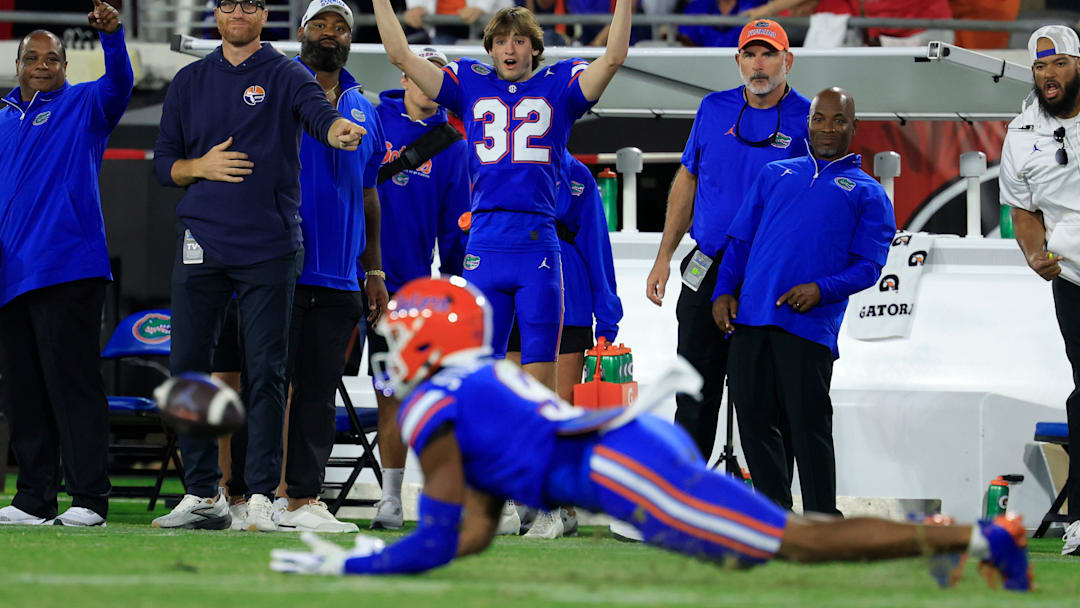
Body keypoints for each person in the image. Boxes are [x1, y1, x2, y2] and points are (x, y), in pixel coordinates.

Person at [268, 276, 1033, 595]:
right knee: (771, 543)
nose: (393, 349)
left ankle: (971, 539)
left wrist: (360, 565)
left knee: (797, 541)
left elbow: (439, 538)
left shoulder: (439, 401)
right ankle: (954, 540)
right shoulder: (474, 383)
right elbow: (471, 531)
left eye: (402, 334)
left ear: (430, 340)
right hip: (625, 454)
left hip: (625, 470)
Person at [150, 0, 366, 532]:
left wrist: (337, 128)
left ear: (263, 13)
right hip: (200, 238)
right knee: (188, 369)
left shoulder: (287, 73)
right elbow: (162, 164)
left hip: (270, 244)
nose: (238, 13)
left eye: (248, 4)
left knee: (268, 373)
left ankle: (262, 496)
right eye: (229, 5)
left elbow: (319, 113)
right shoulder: (189, 80)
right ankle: (204, 494)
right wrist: (197, 167)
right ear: (218, 14)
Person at [371, 1, 631, 395]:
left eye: (520, 40)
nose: (511, 49)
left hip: (536, 245)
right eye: (502, 40)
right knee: (483, 386)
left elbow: (613, 58)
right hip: (485, 244)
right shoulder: (469, 82)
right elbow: (399, 55)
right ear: (490, 48)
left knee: (541, 390)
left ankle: (534, 456)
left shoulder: (559, 86)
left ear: (535, 49)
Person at [711, 87, 895, 516]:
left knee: (807, 426)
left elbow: (869, 267)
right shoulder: (776, 173)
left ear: (854, 127)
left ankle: (822, 518)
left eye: (838, 121)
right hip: (751, 320)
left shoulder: (869, 193)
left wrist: (821, 290)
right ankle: (774, 516)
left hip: (809, 327)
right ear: (806, 123)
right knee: (754, 421)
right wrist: (723, 290)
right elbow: (739, 242)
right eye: (819, 119)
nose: (827, 128)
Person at [645, 20, 810, 462]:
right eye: (750, 55)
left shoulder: (810, 119)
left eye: (769, 54)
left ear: (787, 61)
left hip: (769, 271)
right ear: (737, 61)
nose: (759, 65)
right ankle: (684, 500)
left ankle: (765, 509)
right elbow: (687, 180)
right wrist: (664, 257)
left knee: (764, 396)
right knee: (694, 389)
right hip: (708, 262)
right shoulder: (712, 109)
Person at [0, 0, 133, 528]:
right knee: (23, 390)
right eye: (32, 57)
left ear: (64, 66)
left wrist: (113, 38)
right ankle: (33, 499)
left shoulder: (85, 106)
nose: (41, 64)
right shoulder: (3, 119)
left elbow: (119, 83)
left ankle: (89, 500)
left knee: (73, 386)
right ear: (18, 64)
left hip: (68, 268)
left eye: (51, 58)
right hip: (10, 275)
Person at [274, 0, 388, 534]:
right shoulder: (275, 92)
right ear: (301, 32)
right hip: (278, 267)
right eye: (319, 23)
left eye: (340, 26)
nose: (329, 33)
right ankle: (259, 493)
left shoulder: (366, 106)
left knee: (319, 393)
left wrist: (376, 271)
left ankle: (303, 499)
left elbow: (369, 194)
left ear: (349, 39)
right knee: (269, 387)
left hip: (341, 275)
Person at [367, 46, 470, 531]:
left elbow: (456, 229)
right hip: (344, 276)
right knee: (308, 385)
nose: (428, 82)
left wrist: (452, 287)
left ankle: (392, 499)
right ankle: (292, 495)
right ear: (404, 75)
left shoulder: (452, 144)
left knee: (399, 392)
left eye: (439, 76)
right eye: (419, 73)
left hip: (406, 290)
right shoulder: (370, 118)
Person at [503, 151, 622, 538]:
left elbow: (596, 243)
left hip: (567, 298)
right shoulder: (500, 163)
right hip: (511, 294)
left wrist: (607, 313)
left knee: (558, 410)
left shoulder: (577, 175)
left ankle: (558, 506)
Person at [998, 25, 1080, 557]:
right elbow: (1023, 209)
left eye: (1059, 64)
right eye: (1040, 67)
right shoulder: (1020, 132)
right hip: (1074, 279)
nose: (1048, 75)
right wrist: (1033, 254)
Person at [403, 0, 513, 44]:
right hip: (442, 26)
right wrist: (415, 7)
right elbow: (416, 6)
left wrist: (481, 7)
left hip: (489, 27)